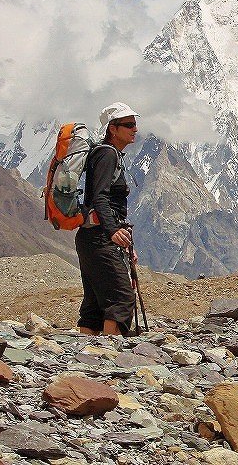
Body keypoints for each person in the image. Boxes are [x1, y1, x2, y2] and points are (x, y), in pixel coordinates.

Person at [76, 102, 139, 336]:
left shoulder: (106, 154)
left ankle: (88, 357)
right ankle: (109, 354)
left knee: (94, 301)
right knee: (122, 297)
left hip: (92, 237)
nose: (135, 129)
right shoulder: (107, 154)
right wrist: (113, 231)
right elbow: (100, 197)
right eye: (129, 125)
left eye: (134, 124)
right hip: (100, 238)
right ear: (113, 129)